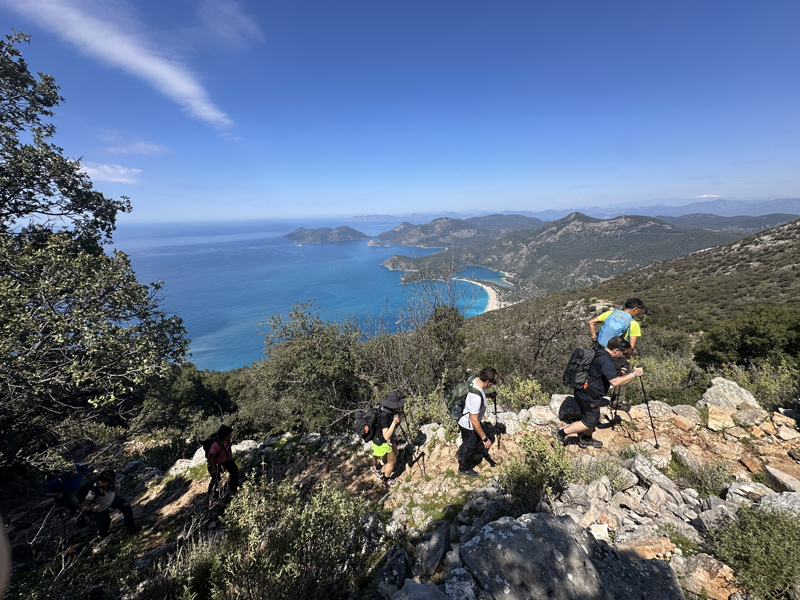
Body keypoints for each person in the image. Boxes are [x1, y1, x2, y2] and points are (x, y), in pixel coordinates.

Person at [556, 337, 643, 449]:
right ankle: (560, 434)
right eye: (622, 353)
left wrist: (616, 372)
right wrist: (634, 374)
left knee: (593, 418)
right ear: (616, 350)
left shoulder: (600, 352)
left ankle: (586, 439)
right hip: (588, 395)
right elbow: (615, 382)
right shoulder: (606, 361)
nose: (622, 355)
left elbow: (597, 371)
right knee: (589, 422)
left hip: (585, 391)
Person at [588, 298, 647, 411]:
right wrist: (627, 358)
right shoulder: (633, 323)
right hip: (617, 354)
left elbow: (591, 322)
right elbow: (632, 346)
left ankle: (590, 397)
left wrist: (594, 337)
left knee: (596, 373)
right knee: (623, 376)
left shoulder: (611, 313)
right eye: (640, 311)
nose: (640, 313)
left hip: (600, 350)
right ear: (636, 309)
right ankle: (616, 403)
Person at [456, 367, 499, 478]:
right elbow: (474, 421)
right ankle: (463, 468)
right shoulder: (475, 398)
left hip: (462, 419)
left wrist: (489, 396)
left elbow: (479, 391)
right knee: (471, 446)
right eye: (494, 382)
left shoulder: (474, 379)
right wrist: (484, 438)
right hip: (469, 425)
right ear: (487, 382)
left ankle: (459, 454)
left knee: (467, 442)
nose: (494, 384)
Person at [79, 469, 138, 537]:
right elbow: (83, 506)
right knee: (105, 522)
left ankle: (130, 526)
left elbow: (116, 490)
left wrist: (117, 487)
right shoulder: (93, 491)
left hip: (112, 499)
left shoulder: (111, 483)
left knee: (126, 506)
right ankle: (103, 535)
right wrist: (91, 508)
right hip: (100, 508)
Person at [371, 391, 405, 487]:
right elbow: (386, 436)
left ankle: (377, 468)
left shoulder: (386, 410)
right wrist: (394, 423)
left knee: (396, 453)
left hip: (385, 439)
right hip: (383, 441)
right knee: (392, 461)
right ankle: (386, 480)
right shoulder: (384, 416)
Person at [207, 424, 239, 499]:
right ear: (225, 435)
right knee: (216, 478)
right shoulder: (216, 445)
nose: (231, 436)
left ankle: (234, 488)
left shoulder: (227, 441)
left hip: (224, 459)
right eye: (229, 435)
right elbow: (209, 457)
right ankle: (211, 494)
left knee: (234, 470)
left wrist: (230, 457)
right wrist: (213, 468)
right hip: (215, 462)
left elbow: (229, 448)